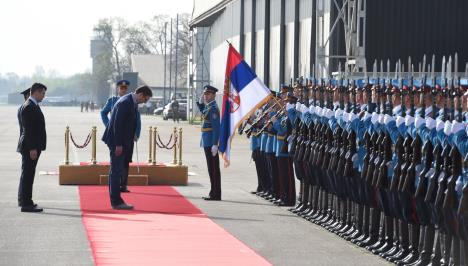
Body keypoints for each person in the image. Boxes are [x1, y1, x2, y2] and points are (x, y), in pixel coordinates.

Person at [102, 85, 152, 210]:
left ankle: (116, 200)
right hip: (117, 143)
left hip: (123, 142)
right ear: (140, 94)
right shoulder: (125, 102)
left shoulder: (131, 101)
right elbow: (117, 125)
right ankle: (116, 202)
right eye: (145, 99)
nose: (144, 102)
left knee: (116, 171)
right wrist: (118, 144)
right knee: (116, 171)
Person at [101, 80, 141, 192]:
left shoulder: (133, 101)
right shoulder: (113, 100)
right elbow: (103, 113)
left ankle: (123, 185)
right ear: (118, 89)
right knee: (116, 162)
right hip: (117, 136)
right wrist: (108, 125)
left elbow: (137, 119)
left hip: (128, 137)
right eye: (121, 88)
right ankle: (114, 186)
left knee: (126, 161)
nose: (123, 90)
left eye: (125, 88)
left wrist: (137, 132)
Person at [17, 83, 47, 212]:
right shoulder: (29, 106)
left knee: (28, 173)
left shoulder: (32, 105)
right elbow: (28, 130)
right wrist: (32, 148)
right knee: (28, 174)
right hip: (31, 147)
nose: (43, 96)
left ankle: (25, 200)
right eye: (43, 93)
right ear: (36, 92)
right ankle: (26, 203)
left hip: (32, 146)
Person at [196, 85, 221, 200]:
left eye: (208, 94)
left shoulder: (213, 109)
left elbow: (216, 128)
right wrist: (199, 103)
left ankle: (216, 194)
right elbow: (204, 112)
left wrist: (215, 144)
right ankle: (213, 192)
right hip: (207, 141)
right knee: (211, 168)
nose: (205, 96)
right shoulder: (209, 107)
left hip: (211, 142)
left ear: (213, 95)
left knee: (214, 168)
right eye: (205, 94)